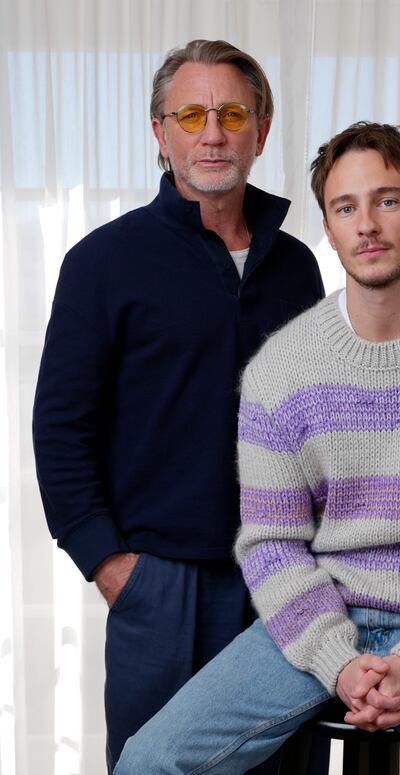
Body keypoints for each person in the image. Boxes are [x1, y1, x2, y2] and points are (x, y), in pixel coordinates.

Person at [114, 122, 400, 775]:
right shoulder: (281, 370)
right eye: (347, 207)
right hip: (315, 616)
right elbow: (270, 541)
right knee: (148, 760)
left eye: (389, 200)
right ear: (329, 226)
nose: (368, 223)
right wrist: (338, 659)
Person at [32, 39, 324, 772]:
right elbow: (61, 425)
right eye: (191, 114)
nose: (214, 132)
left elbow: (319, 422)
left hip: (284, 580)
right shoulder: (103, 262)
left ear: (261, 129)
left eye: (233, 112)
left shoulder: (298, 267)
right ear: (160, 134)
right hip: (160, 584)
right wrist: (108, 563)